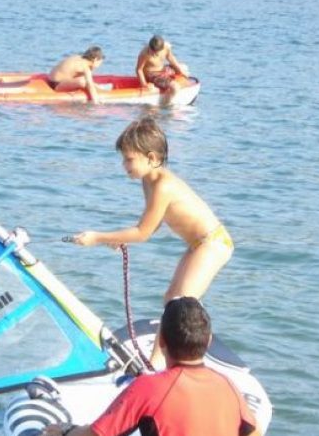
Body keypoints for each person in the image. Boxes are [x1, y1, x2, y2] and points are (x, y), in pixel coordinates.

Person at [72, 116, 233, 367]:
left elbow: (143, 232)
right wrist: (117, 239)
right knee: (171, 297)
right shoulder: (148, 181)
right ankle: (160, 360)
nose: (124, 165)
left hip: (213, 243)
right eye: (123, 158)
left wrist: (98, 237)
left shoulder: (163, 186)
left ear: (152, 158)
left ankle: (168, 359)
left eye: (129, 159)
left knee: (182, 301)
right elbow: (152, 224)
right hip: (198, 244)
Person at [42, 297, 260, 436]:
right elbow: (254, 432)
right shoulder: (227, 386)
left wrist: (65, 430)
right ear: (209, 341)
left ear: (161, 341)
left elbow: (96, 435)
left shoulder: (150, 387)